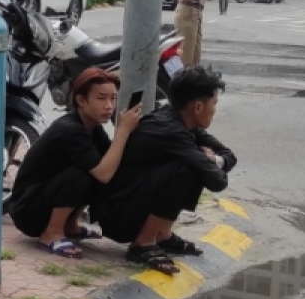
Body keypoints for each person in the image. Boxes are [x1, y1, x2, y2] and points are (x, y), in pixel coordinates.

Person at [94, 67, 236, 274]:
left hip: (131, 205)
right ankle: (143, 243)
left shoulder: (183, 122)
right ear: (197, 107)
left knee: (194, 164)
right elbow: (218, 182)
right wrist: (208, 162)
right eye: (213, 104)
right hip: (117, 215)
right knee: (188, 167)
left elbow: (229, 155)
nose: (214, 110)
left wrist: (215, 160)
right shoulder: (169, 129)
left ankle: (162, 235)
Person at [9, 69, 141, 259]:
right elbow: (103, 173)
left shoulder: (92, 127)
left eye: (113, 99)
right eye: (101, 98)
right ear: (81, 100)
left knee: (95, 170)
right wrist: (122, 132)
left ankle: (69, 226)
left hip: (45, 200)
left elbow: (111, 165)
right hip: (28, 212)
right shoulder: (70, 130)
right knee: (82, 174)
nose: (109, 106)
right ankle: (51, 233)